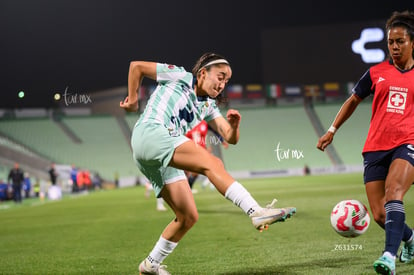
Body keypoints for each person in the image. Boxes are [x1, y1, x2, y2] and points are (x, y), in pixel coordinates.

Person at [120, 52, 296, 275]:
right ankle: (255, 211)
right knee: (211, 162)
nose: (223, 84)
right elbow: (136, 66)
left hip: (155, 152)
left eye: (227, 81)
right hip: (151, 132)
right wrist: (133, 99)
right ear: (203, 73)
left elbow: (230, 137)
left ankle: (150, 265)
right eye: (220, 77)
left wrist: (234, 125)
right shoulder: (179, 75)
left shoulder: (208, 106)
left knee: (188, 217)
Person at [317, 10, 414, 275]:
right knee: (381, 214)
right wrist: (332, 129)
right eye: (391, 42)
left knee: (395, 192)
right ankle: (411, 239)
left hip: (407, 143)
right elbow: (353, 101)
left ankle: (389, 257)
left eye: (400, 42)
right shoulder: (376, 72)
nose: (394, 47)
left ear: (412, 42)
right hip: (375, 148)